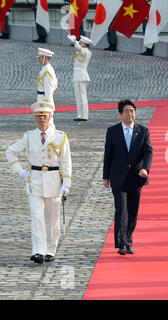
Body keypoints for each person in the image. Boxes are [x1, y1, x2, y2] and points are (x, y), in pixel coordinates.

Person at [5, 101, 72, 264]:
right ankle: (38, 251)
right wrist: (20, 171)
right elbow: (10, 152)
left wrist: (66, 184)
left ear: (51, 116)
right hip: (34, 181)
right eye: (39, 115)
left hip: (53, 180)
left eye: (45, 115)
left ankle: (51, 248)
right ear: (35, 117)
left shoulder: (60, 136)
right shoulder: (29, 137)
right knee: (37, 217)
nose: (42, 118)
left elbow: (65, 161)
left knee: (52, 219)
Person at [103, 100, 153, 255]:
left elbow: (148, 151)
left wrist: (145, 168)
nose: (130, 114)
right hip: (118, 177)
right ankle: (122, 243)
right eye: (126, 111)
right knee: (121, 209)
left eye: (132, 111)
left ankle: (129, 239)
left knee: (132, 211)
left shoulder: (143, 131)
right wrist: (106, 177)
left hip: (136, 177)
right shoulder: (113, 131)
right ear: (120, 114)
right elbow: (108, 155)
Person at [67, 34, 92, 121]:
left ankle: (82, 115)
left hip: (80, 75)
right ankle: (82, 114)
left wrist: (74, 41)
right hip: (81, 75)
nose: (80, 43)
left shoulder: (84, 51)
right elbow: (79, 48)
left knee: (81, 97)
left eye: (82, 42)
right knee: (81, 96)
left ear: (85, 44)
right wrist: (75, 41)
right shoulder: (86, 51)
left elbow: (79, 49)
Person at [37, 48, 58, 127]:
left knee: (48, 122)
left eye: (40, 57)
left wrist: (47, 103)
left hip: (44, 99)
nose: (38, 59)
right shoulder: (45, 69)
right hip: (41, 98)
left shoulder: (47, 70)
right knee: (44, 123)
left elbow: (49, 88)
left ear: (45, 58)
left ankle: (52, 138)